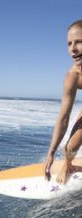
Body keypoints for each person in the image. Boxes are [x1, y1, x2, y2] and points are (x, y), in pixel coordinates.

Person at [44, 20, 82, 184]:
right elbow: (64, 117)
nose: (73, 49)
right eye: (69, 44)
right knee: (70, 148)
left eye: (79, 42)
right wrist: (51, 152)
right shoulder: (73, 76)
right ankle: (68, 165)